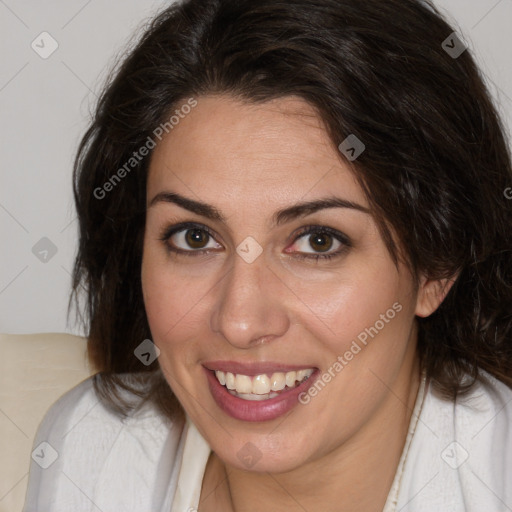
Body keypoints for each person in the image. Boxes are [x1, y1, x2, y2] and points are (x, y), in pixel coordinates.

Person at [23, 0, 512, 510]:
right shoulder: (90, 449)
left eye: (318, 241)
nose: (239, 321)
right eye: (194, 237)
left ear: (437, 266)